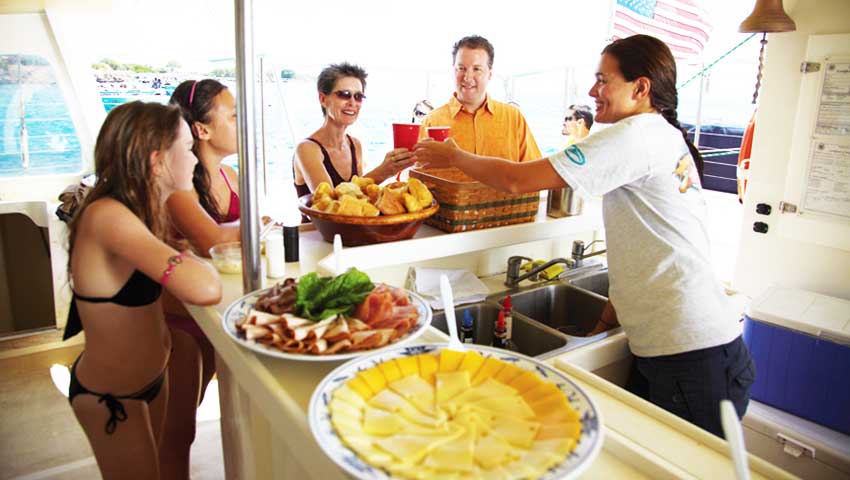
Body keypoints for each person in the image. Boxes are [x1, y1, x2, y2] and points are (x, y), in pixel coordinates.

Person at [412, 34, 755, 438]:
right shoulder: (659, 134)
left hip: (690, 357)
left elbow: (515, 178)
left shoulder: (632, 136)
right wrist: (605, 318)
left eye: (603, 80)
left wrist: (452, 155)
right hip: (690, 347)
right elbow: (648, 247)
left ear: (640, 88)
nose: (593, 91)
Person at [64, 101, 222, 479]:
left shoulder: (140, 209)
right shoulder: (109, 216)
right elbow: (204, 288)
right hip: (113, 398)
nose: (196, 160)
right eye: (187, 149)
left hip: (151, 380)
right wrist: (186, 260)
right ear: (157, 161)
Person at [160, 78, 238, 479]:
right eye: (233, 115)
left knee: (202, 412)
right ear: (201, 130)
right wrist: (256, 227)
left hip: (215, 313)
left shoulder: (232, 177)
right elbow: (212, 240)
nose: (241, 122)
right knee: (177, 431)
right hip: (180, 323)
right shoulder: (179, 186)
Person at [293, 62, 415, 198]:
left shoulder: (355, 145)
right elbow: (329, 201)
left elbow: (359, 197)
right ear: (323, 99)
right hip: (316, 221)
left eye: (358, 97)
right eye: (344, 95)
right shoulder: (307, 149)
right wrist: (383, 172)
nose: (352, 103)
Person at [419, 35, 541, 162]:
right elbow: (414, 175)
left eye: (477, 69)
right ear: (453, 71)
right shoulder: (431, 123)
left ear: (490, 74)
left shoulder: (514, 118)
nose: (467, 77)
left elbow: (534, 172)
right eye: (461, 68)